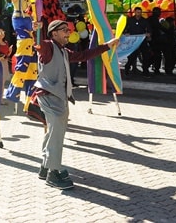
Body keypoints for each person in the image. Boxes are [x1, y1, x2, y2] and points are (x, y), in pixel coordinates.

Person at [35, 19, 118, 189]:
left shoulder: (64, 51)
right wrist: (36, 30)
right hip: (50, 97)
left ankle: (45, 167)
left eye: (68, 29)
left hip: (58, 97)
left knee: (53, 132)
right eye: (64, 30)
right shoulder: (48, 46)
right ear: (54, 33)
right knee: (56, 135)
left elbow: (84, 56)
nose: (68, 32)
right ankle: (53, 173)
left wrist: (107, 46)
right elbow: (37, 44)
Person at [81, 0, 122, 94]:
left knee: (103, 29)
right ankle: (111, 47)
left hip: (102, 3)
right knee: (105, 28)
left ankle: (105, 50)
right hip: (94, 4)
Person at [124, 7, 149, 75]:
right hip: (133, 41)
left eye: (140, 12)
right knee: (132, 56)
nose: (139, 14)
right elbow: (125, 28)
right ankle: (127, 68)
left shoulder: (144, 20)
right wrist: (126, 33)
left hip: (142, 40)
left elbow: (148, 29)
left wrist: (148, 34)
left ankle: (145, 70)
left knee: (146, 55)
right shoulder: (130, 20)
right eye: (137, 12)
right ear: (134, 12)